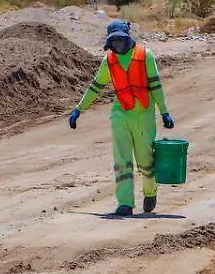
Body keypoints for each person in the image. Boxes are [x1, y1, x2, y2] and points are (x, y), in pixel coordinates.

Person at [69, 19, 174, 216]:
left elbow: (156, 86)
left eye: (120, 40)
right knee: (122, 160)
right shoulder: (108, 61)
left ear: (127, 38)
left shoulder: (145, 56)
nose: (117, 45)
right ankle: (125, 202)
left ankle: (150, 192)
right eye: (113, 41)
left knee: (145, 159)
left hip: (143, 115)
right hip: (120, 115)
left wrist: (164, 112)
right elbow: (96, 86)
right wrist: (78, 109)